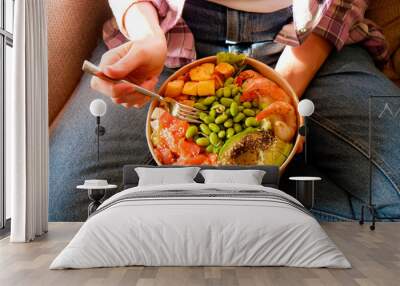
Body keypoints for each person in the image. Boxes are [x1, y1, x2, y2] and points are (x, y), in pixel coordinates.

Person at [49, 0, 400, 222]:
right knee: (62, 212)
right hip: (169, 34)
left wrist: (278, 89)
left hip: (313, 43)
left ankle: (208, 214)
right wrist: (147, 35)